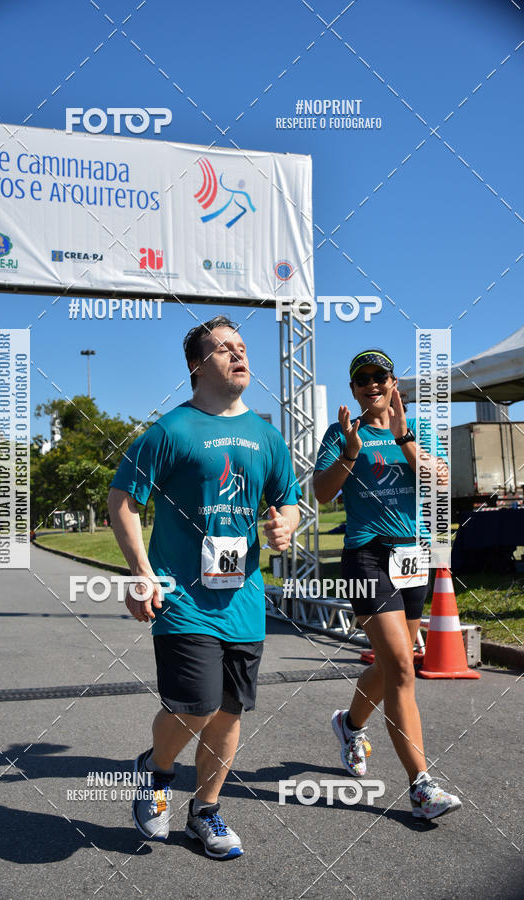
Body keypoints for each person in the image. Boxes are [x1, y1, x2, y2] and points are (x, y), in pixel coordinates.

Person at [108, 315, 301, 858]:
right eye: (224, 349)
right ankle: (156, 772)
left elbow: (287, 499)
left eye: (242, 347)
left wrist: (287, 521)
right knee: (195, 705)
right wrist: (142, 574)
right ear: (197, 365)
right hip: (183, 597)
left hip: (242, 598)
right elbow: (121, 500)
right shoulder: (171, 431)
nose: (239, 355)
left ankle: (207, 811)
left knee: (229, 712)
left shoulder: (267, 435)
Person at [313, 349, 461, 821]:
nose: (372, 385)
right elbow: (321, 492)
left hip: (411, 555)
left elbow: (439, 486)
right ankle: (421, 787)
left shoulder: (416, 433)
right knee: (401, 666)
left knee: (393, 663)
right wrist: (352, 453)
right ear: (354, 390)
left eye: (380, 377)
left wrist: (404, 439)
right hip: (365, 555)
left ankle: (350, 724)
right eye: (363, 380)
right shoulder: (341, 433)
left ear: (394, 383)